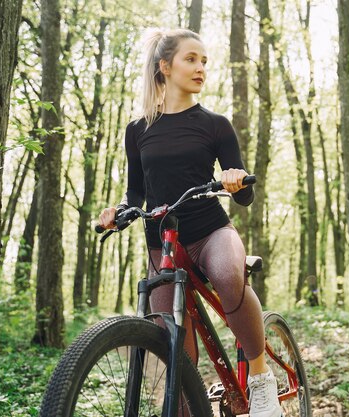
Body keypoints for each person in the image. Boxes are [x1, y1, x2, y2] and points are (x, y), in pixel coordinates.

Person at [97, 28, 282, 417]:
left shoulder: (215, 124)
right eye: (191, 59)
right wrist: (118, 211)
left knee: (228, 277)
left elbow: (246, 195)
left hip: (210, 230)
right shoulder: (137, 130)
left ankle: (262, 380)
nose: (200, 68)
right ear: (165, 67)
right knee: (172, 350)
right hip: (161, 244)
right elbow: (136, 193)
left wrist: (234, 180)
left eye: (204, 62)